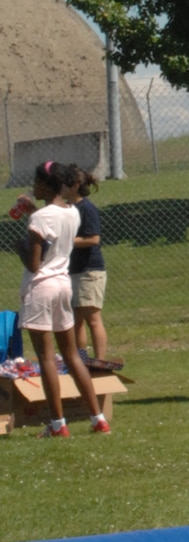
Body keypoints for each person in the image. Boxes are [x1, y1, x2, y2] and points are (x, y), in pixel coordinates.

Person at [19, 161, 108, 438]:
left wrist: (19, 246)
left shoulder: (39, 219)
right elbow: (55, 234)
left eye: (35, 182)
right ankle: (98, 418)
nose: (32, 187)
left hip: (41, 288)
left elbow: (34, 263)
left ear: (46, 185)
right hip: (63, 285)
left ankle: (58, 424)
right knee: (72, 354)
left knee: (46, 356)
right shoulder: (71, 212)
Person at [70, 169, 123, 373]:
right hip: (73, 271)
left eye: (65, 183)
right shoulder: (68, 208)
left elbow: (93, 238)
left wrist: (68, 240)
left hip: (89, 271)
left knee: (92, 319)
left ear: (75, 185)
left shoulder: (87, 208)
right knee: (76, 320)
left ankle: (100, 363)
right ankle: (81, 360)